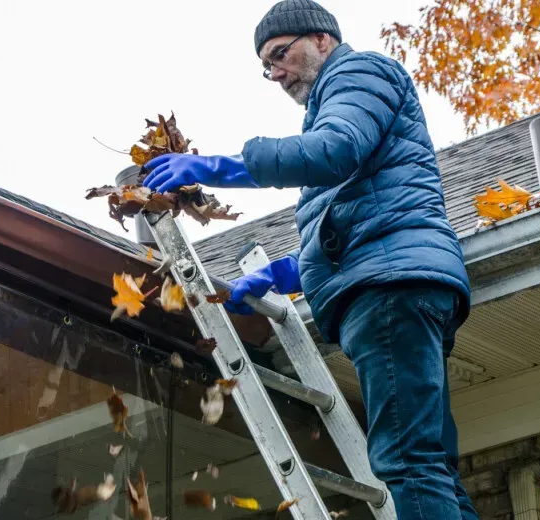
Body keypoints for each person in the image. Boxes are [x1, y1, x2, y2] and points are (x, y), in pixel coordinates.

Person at [141, 1, 475, 518]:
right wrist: (286, 272)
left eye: (280, 55)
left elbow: (332, 151)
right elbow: (356, 219)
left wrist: (219, 167)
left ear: (322, 39)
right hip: (395, 282)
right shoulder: (337, 103)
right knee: (431, 468)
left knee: (408, 463)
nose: (274, 73)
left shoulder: (360, 72)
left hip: (386, 289)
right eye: (266, 66)